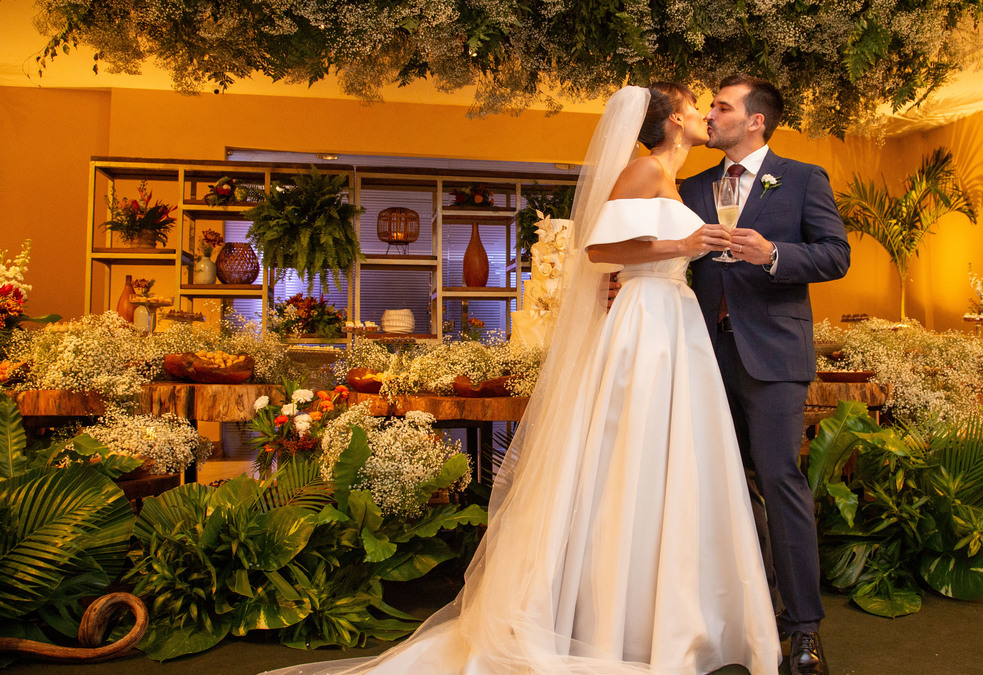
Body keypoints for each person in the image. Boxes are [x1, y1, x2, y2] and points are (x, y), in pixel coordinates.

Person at [263, 83, 781, 675]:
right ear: (672, 121)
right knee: (631, 451)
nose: (706, 115)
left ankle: (676, 611)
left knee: (677, 457)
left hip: (676, 318)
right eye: (697, 106)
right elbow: (598, 250)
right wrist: (684, 243)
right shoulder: (642, 170)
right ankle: (619, 619)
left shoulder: (677, 179)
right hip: (648, 322)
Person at [679, 75, 852, 675]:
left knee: (780, 481)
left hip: (774, 355)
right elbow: (672, 260)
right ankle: (729, 616)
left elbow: (835, 254)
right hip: (699, 353)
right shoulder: (690, 186)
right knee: (714, 488)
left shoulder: (802, 178)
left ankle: (803, 629)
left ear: (755, 120)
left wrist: (773, 254)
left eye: (722, 107)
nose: (710, 115)